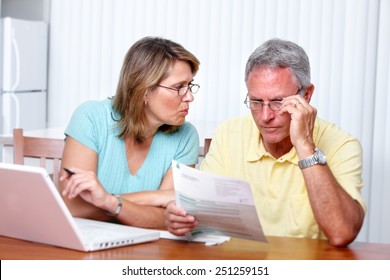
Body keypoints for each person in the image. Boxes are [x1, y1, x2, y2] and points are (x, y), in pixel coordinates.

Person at [165, 38, 365, 247]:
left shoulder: (343, 144)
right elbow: (202, 215)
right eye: (256, 102)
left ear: (306, 95)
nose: (265, 116)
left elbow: (342, 233)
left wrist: (305, 146)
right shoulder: (229, 133)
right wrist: (180, 218)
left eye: (278, 102)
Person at [60, 36, 200, 228]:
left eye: (190, 85)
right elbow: (73, 208)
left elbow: (166, 218)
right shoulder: (91, 118)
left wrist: (106, 201)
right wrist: (156, 198)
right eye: (179, 87)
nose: (190, 97)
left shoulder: (186, 136)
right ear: (144, 90)